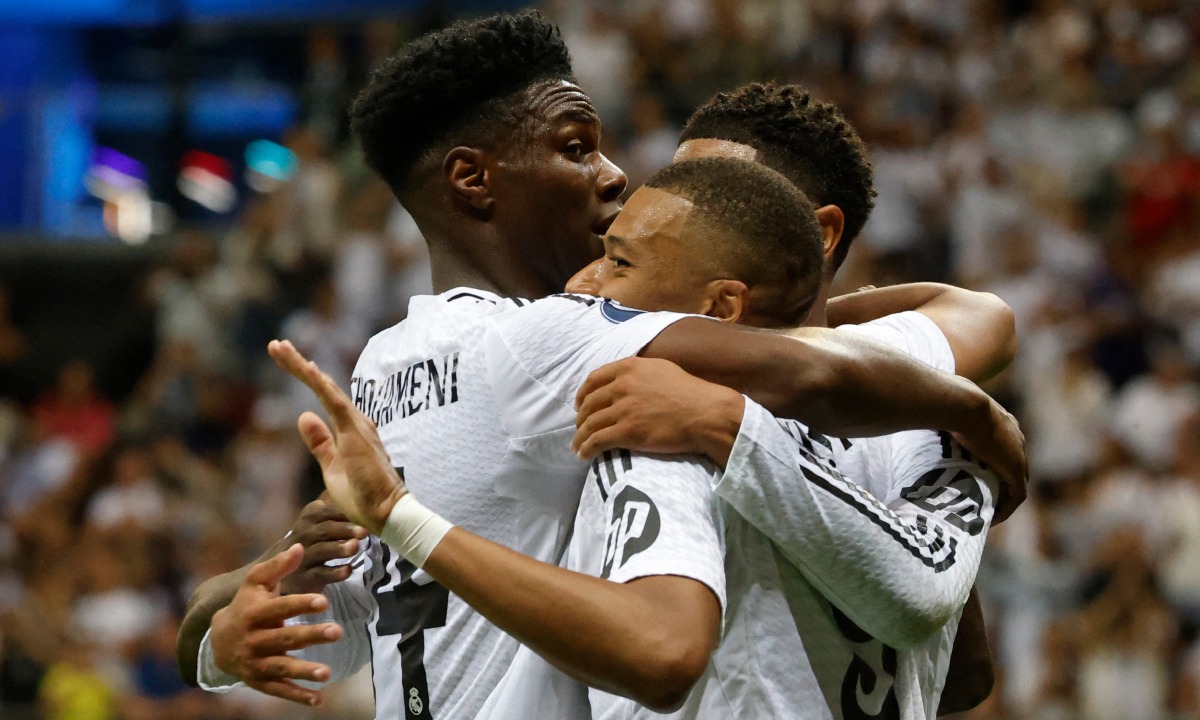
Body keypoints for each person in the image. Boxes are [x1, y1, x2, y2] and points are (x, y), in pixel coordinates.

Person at [183, 12, 1023, 718]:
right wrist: (974, 414)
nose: (621, 179)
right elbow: (666, 648)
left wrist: (220, 639)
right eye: (579, 148)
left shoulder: (389, 362)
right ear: (474, 181)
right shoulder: (585, 358)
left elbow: (958, 670)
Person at [264, 156, 1003, 719]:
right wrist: (977, 418)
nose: (588, 279)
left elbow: (660, 650)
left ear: (721, 302)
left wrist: (400, 515)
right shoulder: (917, 407)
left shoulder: (652, 419)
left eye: (621, 261)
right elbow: (975, 316)